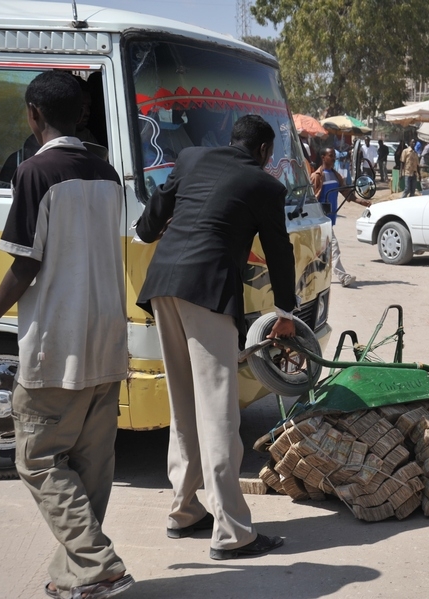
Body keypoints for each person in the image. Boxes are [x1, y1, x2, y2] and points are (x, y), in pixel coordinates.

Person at [0, 71, 134, 598]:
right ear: (82, 114)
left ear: (33, 115)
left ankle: (98, 565)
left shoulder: (36, 172)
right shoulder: (107, 173)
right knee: (91, 468)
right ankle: (77, 578)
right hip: (107, 339)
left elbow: (24, 266)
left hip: (56, 344)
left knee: (37, 458)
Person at [135, 115, 295, 561]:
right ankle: (232, 533)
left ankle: (184, 510)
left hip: (163, 285)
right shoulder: (264, 185)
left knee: (183, 405)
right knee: (219, 412)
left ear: (232, 141)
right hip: (206, 294)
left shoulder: (190, 158)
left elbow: (147, 225)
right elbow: (278, 249)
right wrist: (284, 311)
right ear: (264, 151)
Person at [311, 147, 371, 287]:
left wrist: (363, 202)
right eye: (330, 155)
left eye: (334, 156)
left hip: (329, 220)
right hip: (320, 220)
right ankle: (343, 277)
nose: (333, 158)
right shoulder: (317, 176)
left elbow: (347, 194)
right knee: (334, 247)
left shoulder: (336, 176)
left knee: (320, 251)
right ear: (323, 157)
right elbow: (310, 199)